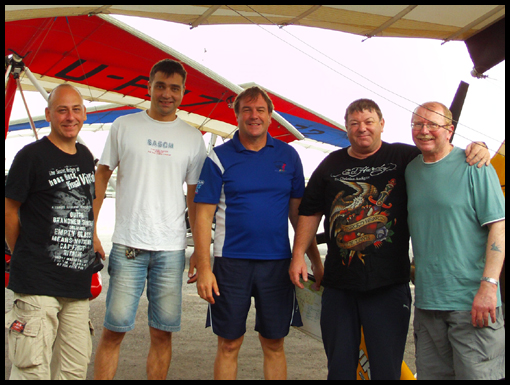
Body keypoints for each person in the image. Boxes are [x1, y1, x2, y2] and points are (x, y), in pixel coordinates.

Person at [289, 98, 491, 380]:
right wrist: (299, 254)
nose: (362, 129)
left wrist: (477, 146)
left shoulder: (404, 158)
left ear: (382, 125)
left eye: (369, 122)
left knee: (386, 369)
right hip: (339, 287)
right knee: (339, 368)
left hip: (387, 286)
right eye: (354, 123)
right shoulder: (330, 164)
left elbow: (440, 152)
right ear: (346, 128)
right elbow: (310, 212)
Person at [193, 86, 321, 380]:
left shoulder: (288, 156)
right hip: (230, 265)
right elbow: (203, 217)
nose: (254, 116)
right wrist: (203, 268)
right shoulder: (218, 158)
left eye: (260, 110)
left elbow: (299, 216)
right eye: (247, 110)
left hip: (276, 265)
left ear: (270, 115)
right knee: (228, 344)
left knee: (274, 343)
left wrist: (313, 259)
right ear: (236, 115)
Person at [92, 59, 207, 380]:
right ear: (149, 87)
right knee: (113, 331)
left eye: (174, 88)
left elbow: (195, 198)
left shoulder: (192, 137)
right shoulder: (124, 126)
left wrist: (199, 249)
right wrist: (91, 228)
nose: (166, 94)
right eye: (160, 86)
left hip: (171, 251)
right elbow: (102, 175)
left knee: (162, 333)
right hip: (128, 245)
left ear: (183, 92)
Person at [406, 102, 505, 380]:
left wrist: (489, 286)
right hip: (428, 304)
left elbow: (499, 227)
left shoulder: (475, 165)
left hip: (472, 302)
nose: (424, 131)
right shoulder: (410, 170)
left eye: (433, 125)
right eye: (417, 124)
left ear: (449, 130)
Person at [5, 84, 96, 380]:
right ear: (48, 115)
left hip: (76, 285)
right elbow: (9, 210)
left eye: (76, 109)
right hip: (37, 282)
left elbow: (85, 206)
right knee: (31, 368)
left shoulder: (85, 156)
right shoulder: (31, 156)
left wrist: (92, 239)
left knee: (74, 369)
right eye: (62, 110)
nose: (70, 117)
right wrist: (24, 252)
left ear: (84, 113)